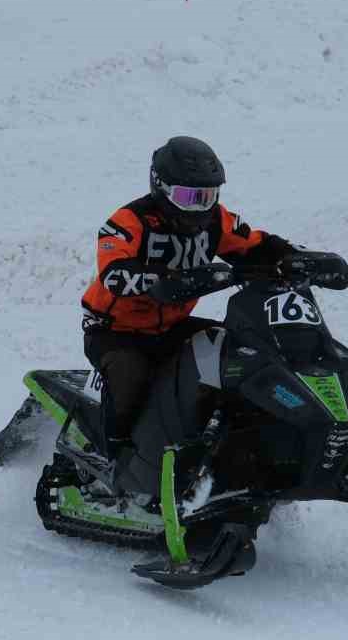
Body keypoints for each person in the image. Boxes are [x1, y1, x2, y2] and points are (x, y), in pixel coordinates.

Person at [79, 137, 301, 456]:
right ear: (161, 187)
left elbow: (255, 245)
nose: (200, 207)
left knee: (238, 349)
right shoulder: (128, 222)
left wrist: (296, 257)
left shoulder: (216, 221)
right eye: (189, 197)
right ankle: (113, 453)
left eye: (208, 196)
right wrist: (163, 280)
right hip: (115, 330)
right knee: (131, 375)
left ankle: (229, 437)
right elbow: (114, 272)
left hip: (172, 327)